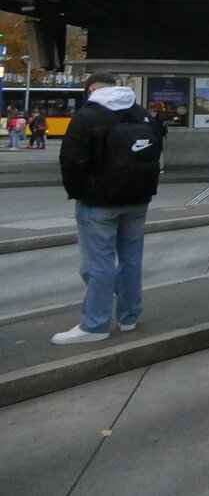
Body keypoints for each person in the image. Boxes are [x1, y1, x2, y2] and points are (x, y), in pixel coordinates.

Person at [53, 73, 160, 344]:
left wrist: (79, 192)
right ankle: (129, 316)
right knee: (131, 259)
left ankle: (94, 325)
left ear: (90, 90)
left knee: (98, 264)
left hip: (98, 202)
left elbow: (70, 160)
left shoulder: (87, 116)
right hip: (138, 199)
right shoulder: (141, 113)